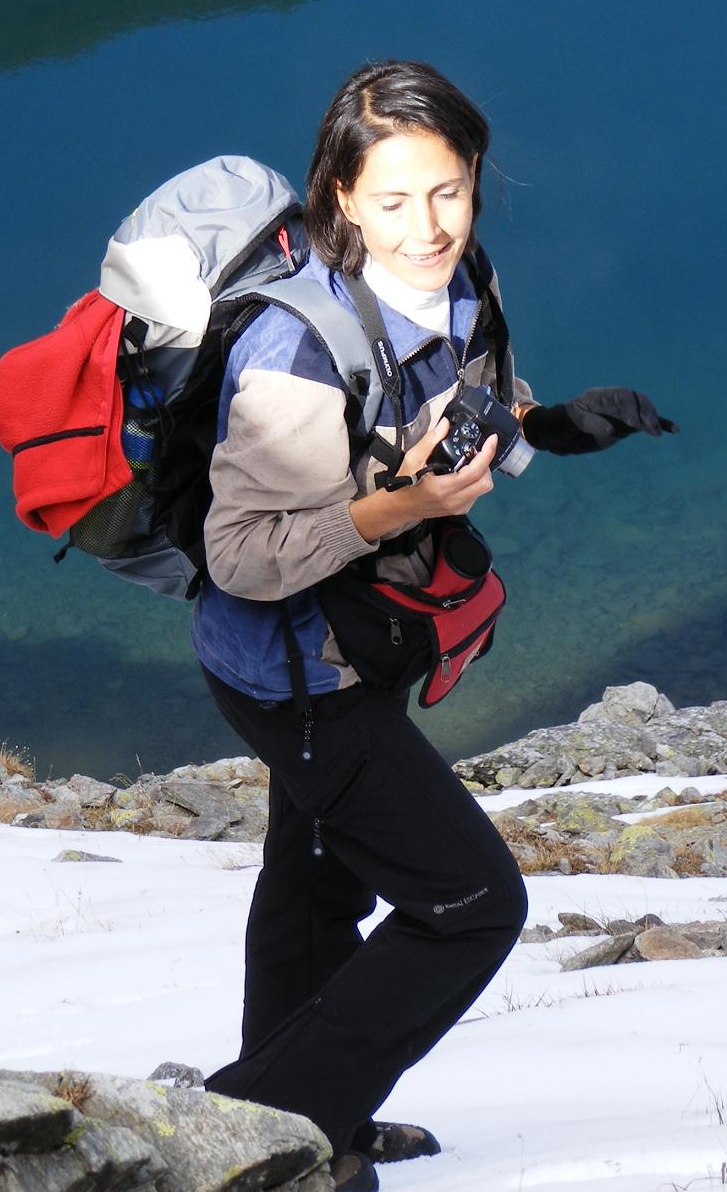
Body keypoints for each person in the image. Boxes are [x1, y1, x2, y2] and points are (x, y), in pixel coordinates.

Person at [191, 60, 674, 1191]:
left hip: (366, 641)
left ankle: (323, 1126)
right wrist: (398, 506)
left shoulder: (460, 281)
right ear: (341, 199)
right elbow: (242, 556)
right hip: (294, 672)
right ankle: (253, 1128)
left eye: (448, 191)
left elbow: (470, 407)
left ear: (473, 178)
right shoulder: (292, 355)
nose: (427, 227)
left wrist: (551, 425)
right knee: (470, 903)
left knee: (317, 877)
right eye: (395, 201)